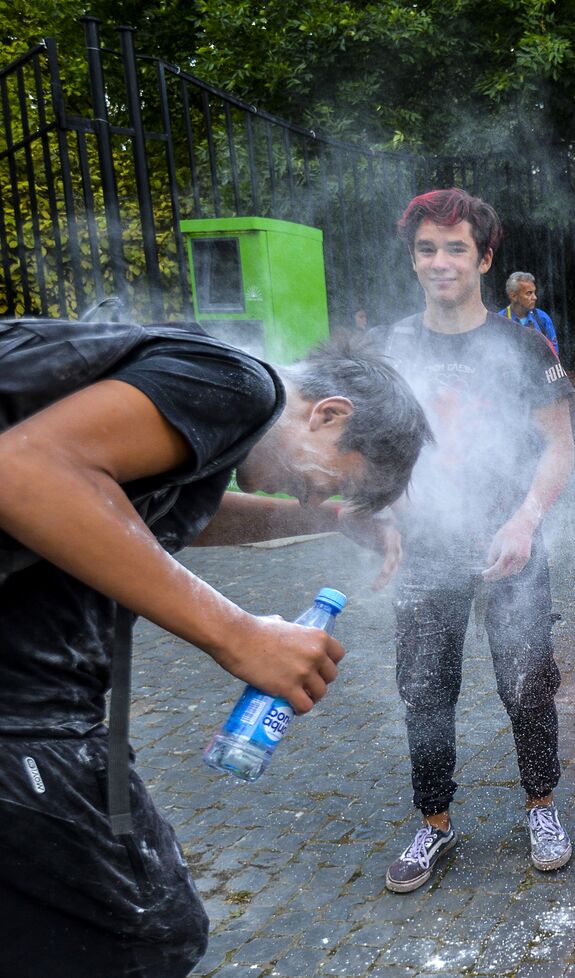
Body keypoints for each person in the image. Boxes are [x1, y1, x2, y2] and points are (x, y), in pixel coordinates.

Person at [0, 322, 430, 978]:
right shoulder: (241, 386)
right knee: (144, 934)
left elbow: (149, 510)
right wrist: (238, 635)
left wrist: (316, 520)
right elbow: (23, 471)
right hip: (25, 708)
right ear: (329, 414)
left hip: (38, 698)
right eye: (332, 483)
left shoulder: (214, 413)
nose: (313, 494)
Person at [375, 188, 575, 893]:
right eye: (427, 249)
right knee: (425, 691)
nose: (440, 261)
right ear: (413, 259)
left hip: (511, 544)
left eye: (456, 247)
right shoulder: (392, 345)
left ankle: (542, 808)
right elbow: (377, 452)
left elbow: (559, 448)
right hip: (427, 547)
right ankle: (434, 823)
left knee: (527, 685)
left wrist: (524, 520)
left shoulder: (525, 344)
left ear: (484, 257)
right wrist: (385, 516)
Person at [499, 270, 559, 355]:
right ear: (513, 296)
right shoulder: (500, 320)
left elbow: (554, 355)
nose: (535, 297)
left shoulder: (542, 319)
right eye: (529, 293)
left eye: (534, 292)